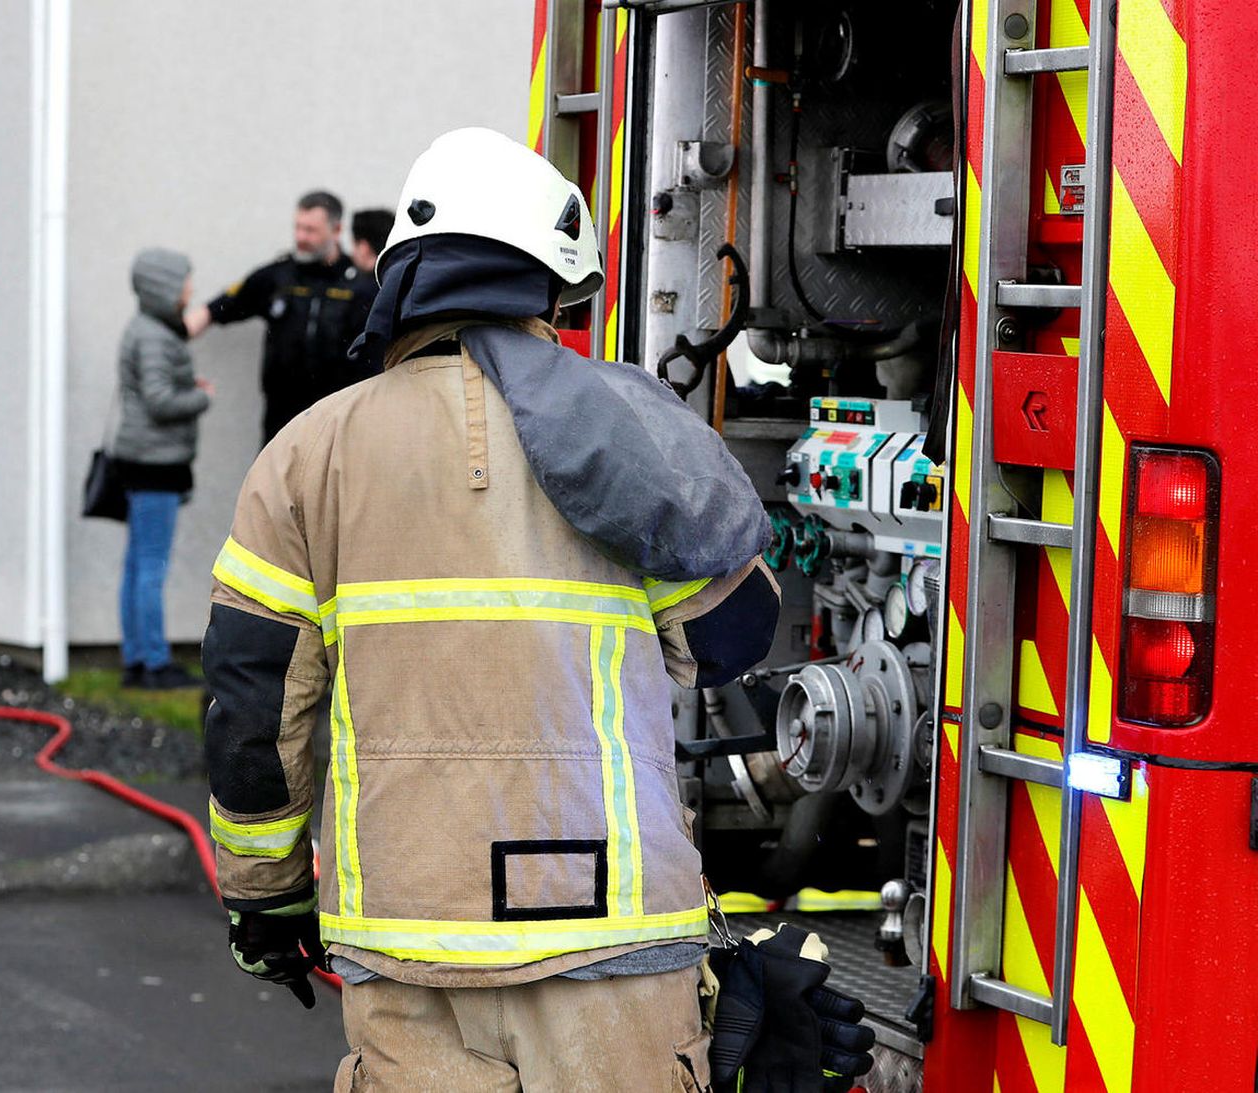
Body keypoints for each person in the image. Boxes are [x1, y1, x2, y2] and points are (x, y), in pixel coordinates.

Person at [200, 129, 867, 1091]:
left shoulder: (307, 454)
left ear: (401, 281)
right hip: (613, 944)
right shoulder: (626, 432)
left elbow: (251, 705)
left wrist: (263, 898)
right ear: (552, 290)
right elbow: (733, 637)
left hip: (403, 943)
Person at [184, 191, 375, 443]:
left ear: (336, 229)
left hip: (335, 418)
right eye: (297, 227)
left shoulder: (359, 284)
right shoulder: (279, 276)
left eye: (310, 230)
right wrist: (168, 334)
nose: (300, 237)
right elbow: (217, 308)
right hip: (281, 415)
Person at [110, 247, 212, 691]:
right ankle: (153, 663)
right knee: (150, 565)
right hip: (155, 464)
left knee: (137, 564)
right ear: (163, 286)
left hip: (144, 461)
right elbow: (160, 400)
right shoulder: (153, 334)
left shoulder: (149, 328)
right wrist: (201, 396)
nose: (190, 288)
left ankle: (137, 659)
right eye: (184, 280)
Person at [347, 208, 395, 275]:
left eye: (355, 245)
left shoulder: (354, 282)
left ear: (363, 248)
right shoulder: (402, 277)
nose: (352, 253)